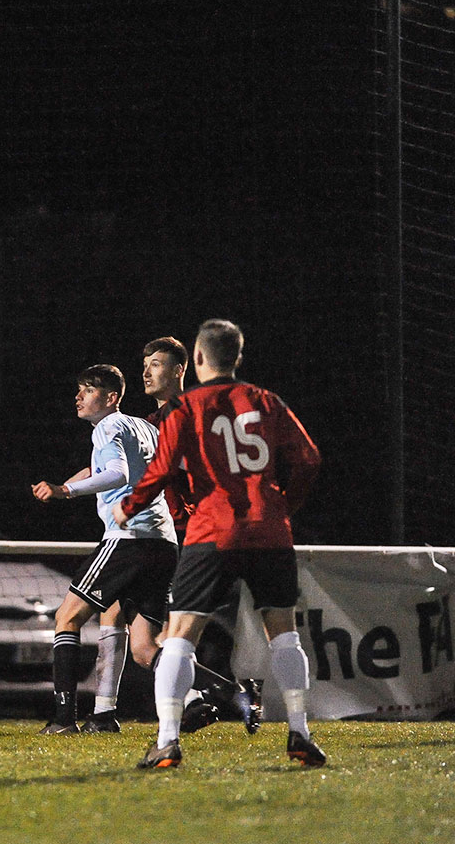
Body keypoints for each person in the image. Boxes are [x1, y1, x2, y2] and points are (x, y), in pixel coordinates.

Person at [117, 319, 324, 769]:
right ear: (238, 358)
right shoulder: (266, 400)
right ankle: (300, 733)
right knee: (284, 635)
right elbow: (309, 459)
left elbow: (162, 469)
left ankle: (168, 741)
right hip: (269, 531)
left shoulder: (186, 406)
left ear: (197, 358)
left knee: (179, 638)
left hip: (212, 529)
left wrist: (129, 506)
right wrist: (284, 505)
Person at [31, 364, 178, 734]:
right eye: (79, 389)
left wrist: (65, 491)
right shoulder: (144, 428)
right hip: (163, 543)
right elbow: (108, 468)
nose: (78, 397)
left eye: (88, 390)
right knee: (144, 648)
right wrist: (62, 488)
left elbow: (117, 473)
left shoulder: (108, 426)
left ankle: (63, 719)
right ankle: (221, 691)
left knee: (67, 617)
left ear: (111, 398)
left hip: (128, 539)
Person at [142, 335, 262, 735]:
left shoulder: (194, 413)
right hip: (157, 536)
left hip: (186, 536)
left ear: (180, 370)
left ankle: (195, 710)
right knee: (145, 641)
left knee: (168, 636)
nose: (146, 372)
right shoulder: (150, 423)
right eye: (145, 365)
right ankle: (207, 698)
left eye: (156, 364)